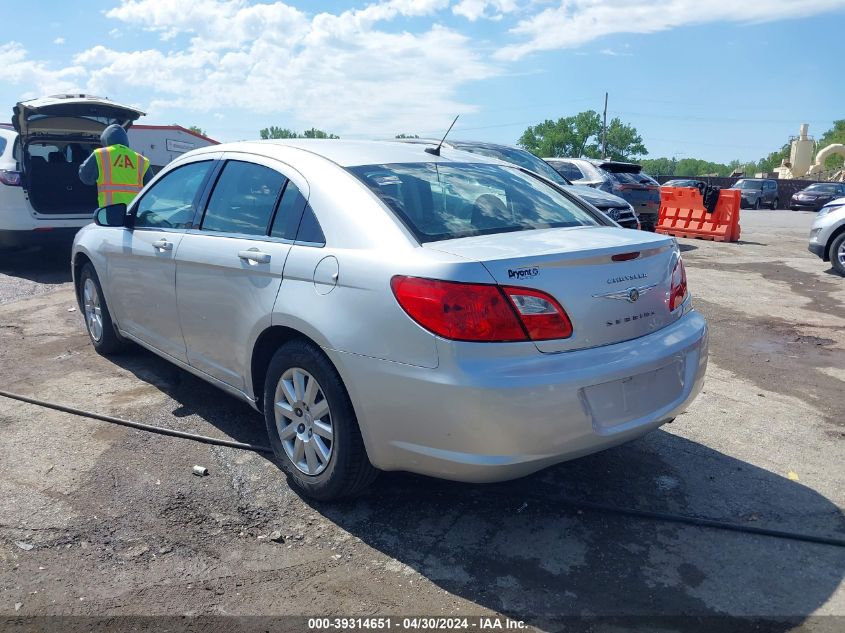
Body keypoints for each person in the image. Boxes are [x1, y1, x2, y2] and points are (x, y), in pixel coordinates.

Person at [79, 124, 152, 207]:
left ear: (106, 140)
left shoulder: (100, 154)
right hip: (134, 212)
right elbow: (152, 190)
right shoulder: (142, 160)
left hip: (110, 211)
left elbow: (86, 178)